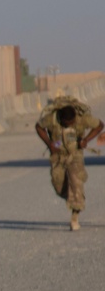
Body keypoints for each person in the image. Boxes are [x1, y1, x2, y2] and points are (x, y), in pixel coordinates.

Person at [35, 97, 103, 231]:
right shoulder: (52, 119)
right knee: (58, 185)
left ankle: (74, 217)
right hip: (58, 156)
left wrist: (86, 140)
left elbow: (100, 125)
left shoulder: (83, 118)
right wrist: (50, 144)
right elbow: (39, 127)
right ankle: (71, 197)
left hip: (75, 154)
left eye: (72, 122)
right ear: (61, 118)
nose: (70, 124)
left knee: (76, 183)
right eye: (67, 123)